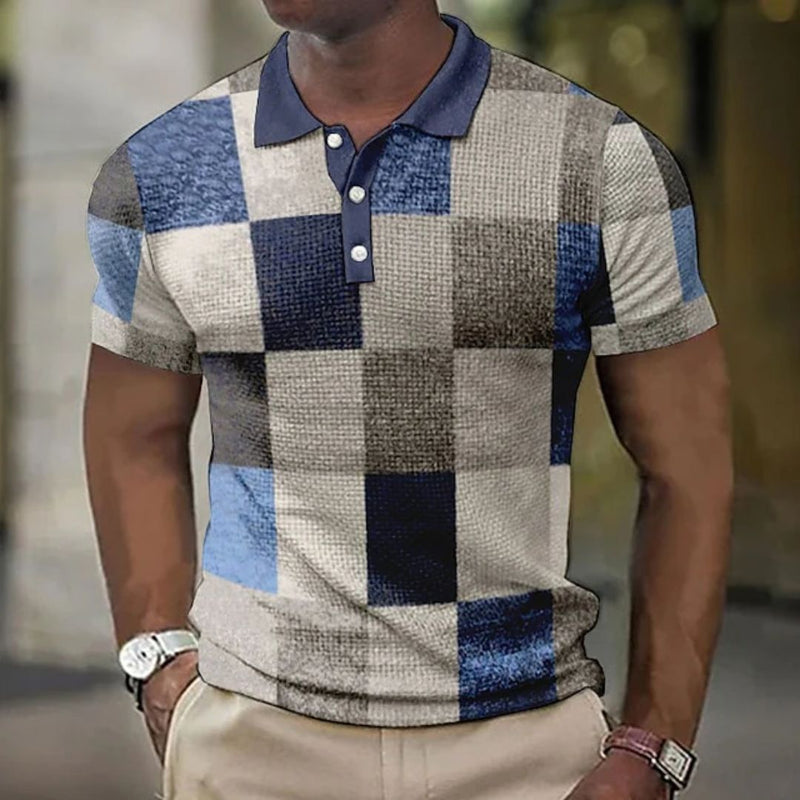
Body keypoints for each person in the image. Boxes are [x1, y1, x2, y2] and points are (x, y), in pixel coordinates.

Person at [82, 2, 733, 799]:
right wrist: (155, 658)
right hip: (251, 741)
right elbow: (133, 436)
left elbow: (689, 466)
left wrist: (653, 744)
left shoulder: (601, 158)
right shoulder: (162, 169)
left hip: (527, 749)